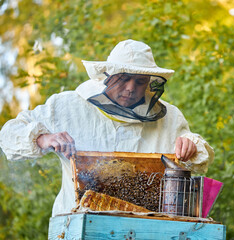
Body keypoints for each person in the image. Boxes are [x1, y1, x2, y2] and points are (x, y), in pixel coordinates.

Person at [0, 39, 214, 217]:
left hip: (144, 229)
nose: (131, 88)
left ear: (150, 83)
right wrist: (42, 138)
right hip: (76, 225)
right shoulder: (68, 106)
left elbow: (199, 155)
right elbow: (9, 133)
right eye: (124, 78)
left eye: (139, 82)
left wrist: (190, 147)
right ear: (108, 75)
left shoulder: (170, 117)